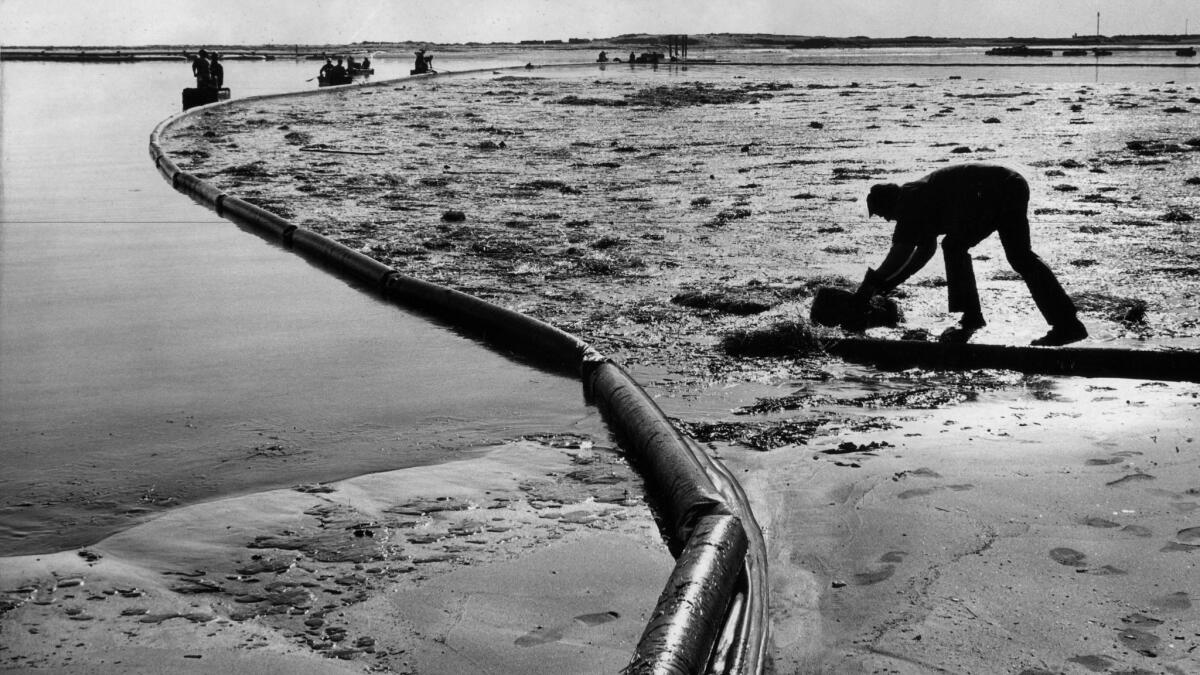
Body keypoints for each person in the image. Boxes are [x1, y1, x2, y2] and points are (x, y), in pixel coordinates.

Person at [855, 163, 1088, 346]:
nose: (886, 220)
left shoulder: (908, 201)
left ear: (889, 203)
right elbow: (925, 252)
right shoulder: (913, 200)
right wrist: (892, 282)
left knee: (959, 247)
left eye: (882, 214)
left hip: (996, 190)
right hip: (1010, 184)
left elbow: (899, 254)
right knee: (1017, 256)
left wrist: (872, 284)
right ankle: (1066, 324)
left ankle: (975, 316)